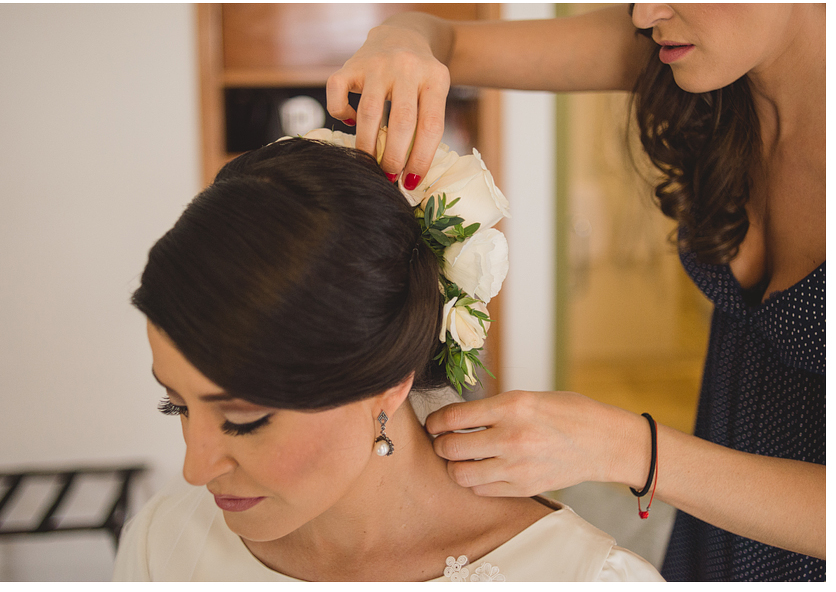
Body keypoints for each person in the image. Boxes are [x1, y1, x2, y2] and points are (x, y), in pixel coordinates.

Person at [325, 3, 825, 581]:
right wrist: (401, 38)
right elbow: (451, 43)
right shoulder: (678, 42)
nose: (642, 12)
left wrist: (629, 447)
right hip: (714, 526)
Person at [112, 136, 663, 581]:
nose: (194, 468)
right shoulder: (162, 547)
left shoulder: (582, 578)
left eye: (243, 421)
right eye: (176, 407)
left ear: (389, 382)